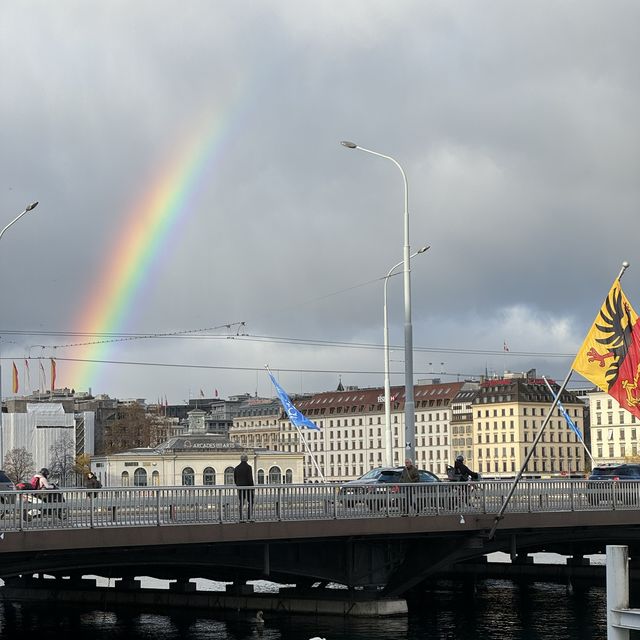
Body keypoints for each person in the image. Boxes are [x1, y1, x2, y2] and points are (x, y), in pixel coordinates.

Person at [234, 454, 255, 521]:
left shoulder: (236, 468)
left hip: (240, 488)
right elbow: (250, 479)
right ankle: (249, 517)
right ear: (246, 459)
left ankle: (241, 517)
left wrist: (238, 485)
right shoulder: (249, 467)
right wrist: (252, 488)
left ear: (241, 459)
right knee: (251, 502)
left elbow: (235, 479)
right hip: (248, 488)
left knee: (241, 503)